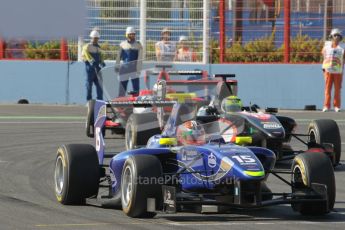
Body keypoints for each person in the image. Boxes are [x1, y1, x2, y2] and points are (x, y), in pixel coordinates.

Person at [321, 28, 345, 112]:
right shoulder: (327, 46)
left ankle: (337, 106)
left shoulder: (342, 47)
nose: (337, 37)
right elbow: (323, 55)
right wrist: (324, 68)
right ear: (331, 36)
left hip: (338, 71)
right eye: (335, 35)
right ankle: (326, 106)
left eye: (338, 35)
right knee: (327, 89)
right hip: (328, 71)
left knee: (337, 89)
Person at [115, 27, 143, 97]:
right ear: (127, 35)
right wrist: (117, 66)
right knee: (122, 86)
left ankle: (136, 103)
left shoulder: (138, 45)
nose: (132, 36)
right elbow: (118, 57)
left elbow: (140, 58)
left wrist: (138, 69)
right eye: (130, 34)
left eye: (133, 34)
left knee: (135, 87)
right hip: (124, 68)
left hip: (134, 68)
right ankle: (120, 103)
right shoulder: (122, 44)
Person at [82, 29, 105, 101]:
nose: (96, 39)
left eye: (97, 38)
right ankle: (89, 101)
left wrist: (102, 62)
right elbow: (84, 55)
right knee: (89, 85)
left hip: (98, 69)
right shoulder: (87, 46)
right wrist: (91, 61)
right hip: (90, 69)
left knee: (100, 85)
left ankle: (100, 100)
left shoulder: (99, 47)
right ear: (91, 38)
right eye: (94, 38)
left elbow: (101, 56)